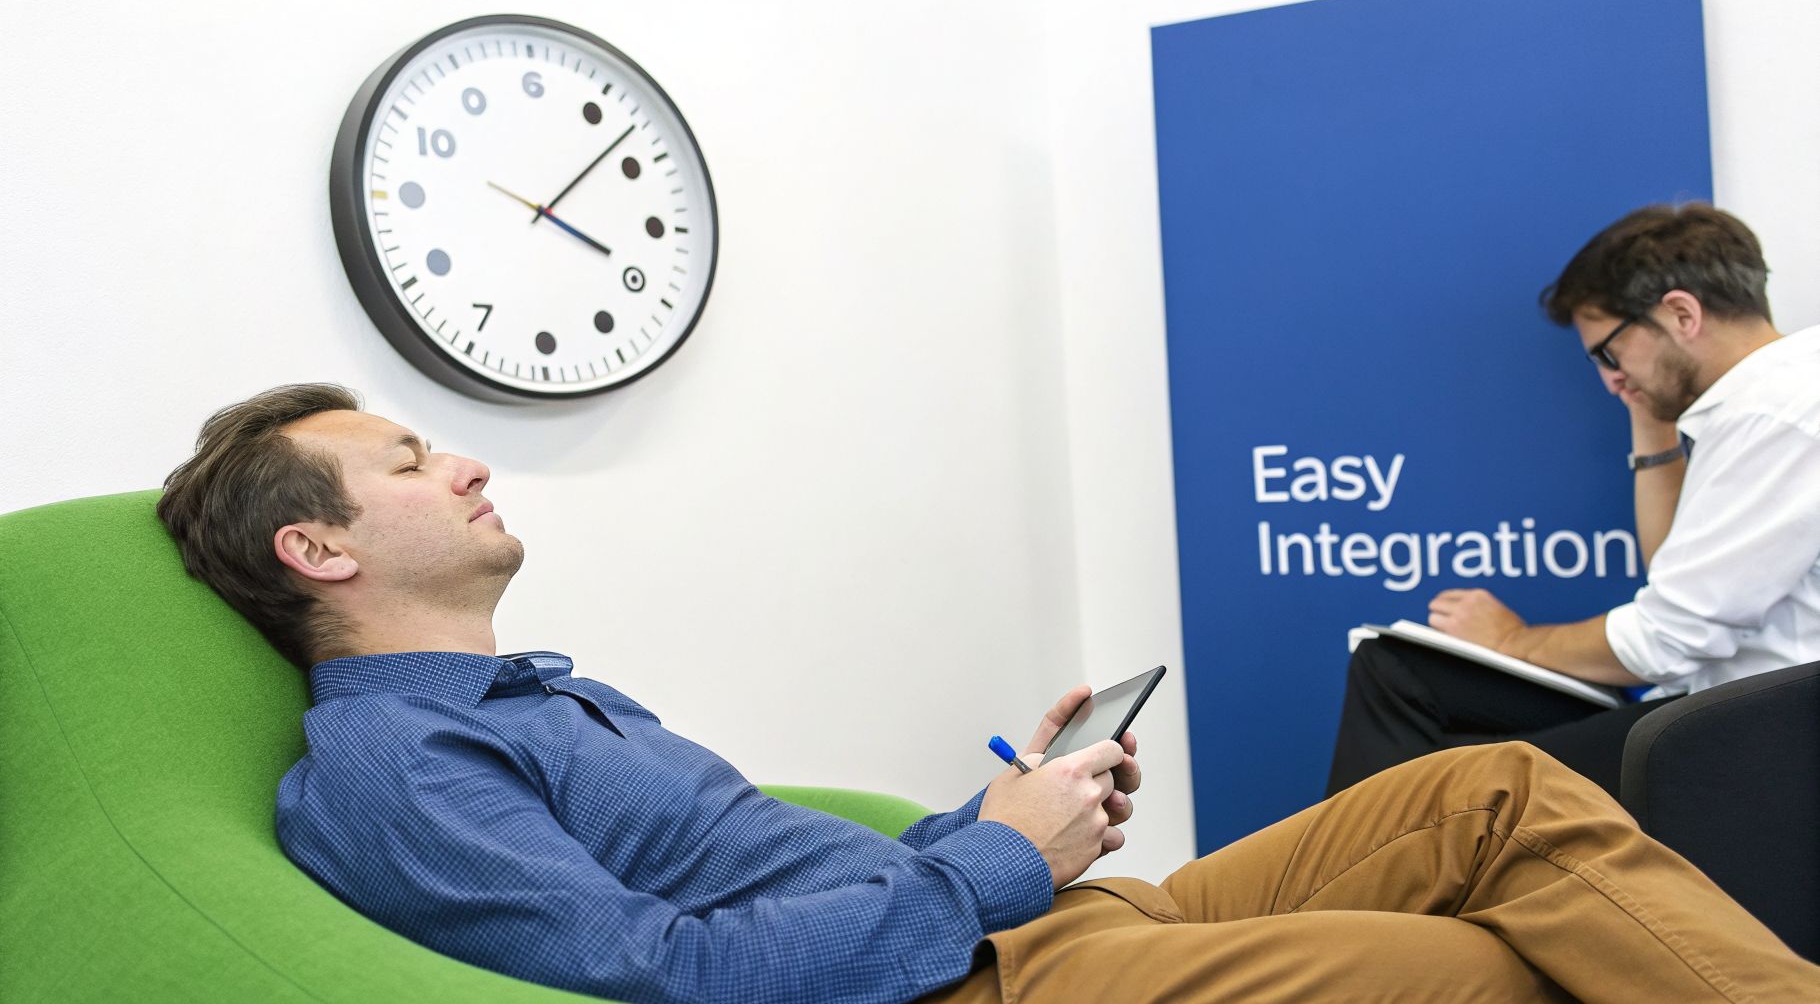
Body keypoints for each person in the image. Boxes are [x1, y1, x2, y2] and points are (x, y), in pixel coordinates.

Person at [156, 383, 1820, 1003]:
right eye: (404, 457)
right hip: (966, 978)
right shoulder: (382, 771)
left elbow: (795, 875)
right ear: (315, 547)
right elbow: (664, 973)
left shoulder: (546, 699)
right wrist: (995, 861)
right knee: (1469, 964)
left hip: (1019, 915)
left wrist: (1016, 807)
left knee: (1504, 789)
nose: (460, 460)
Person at [1327, 203, 1820, 799]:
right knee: (1396, 669)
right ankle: (1364, 882)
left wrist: (1511, 640)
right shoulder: (1758, 403)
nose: (1609, 379)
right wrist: (1650, 415)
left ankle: (1359, 885)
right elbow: (1676, 573)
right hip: (1707, 705)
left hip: (1756, 735)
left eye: (1610, 354)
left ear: (1682, 314)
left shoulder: (1779, 417)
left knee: (1460, 788)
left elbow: (1665, 639)